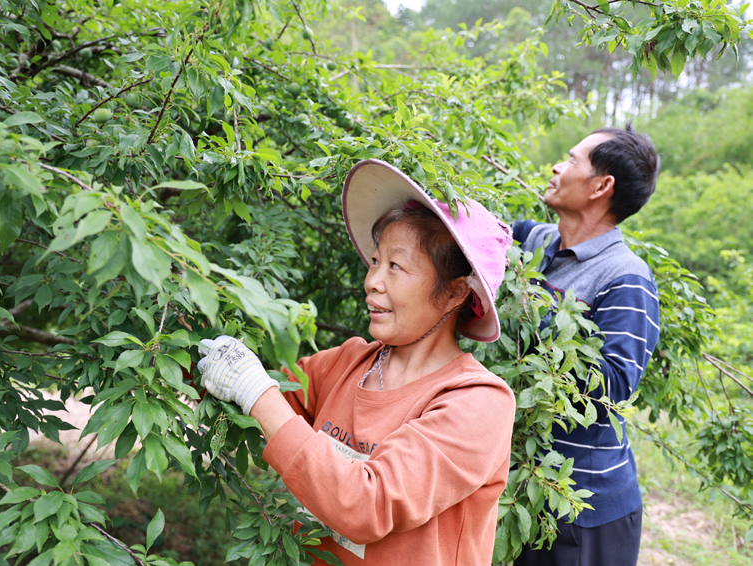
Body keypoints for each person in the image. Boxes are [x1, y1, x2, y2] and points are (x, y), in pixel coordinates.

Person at [195, 159, 516, 565]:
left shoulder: (479, 402)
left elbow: (367, 504)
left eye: (396, 266)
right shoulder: (348, 363)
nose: (372, 281)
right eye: (376, 261)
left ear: (454, 293)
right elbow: (251, 399)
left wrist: (256, 391)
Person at [512, 125, 661, 566]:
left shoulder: (626, 277)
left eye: (572, 160)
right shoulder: (537, 242)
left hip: (584, 511)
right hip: (528, 490)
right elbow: (482, 237)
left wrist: (532, 318)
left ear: (601, 186)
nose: (557, 167)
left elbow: (612, 388)